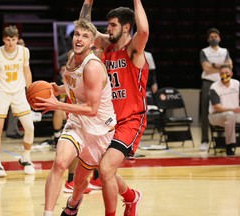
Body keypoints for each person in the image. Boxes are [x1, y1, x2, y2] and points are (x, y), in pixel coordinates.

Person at [34, 19, 116, 216]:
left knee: (80, 182)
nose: (79, 39)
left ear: (92, 43)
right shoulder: (72, 57)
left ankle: (73, 203)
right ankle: (47, 214)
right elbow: (76, 86)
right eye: (77, 34)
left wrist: (57, 104)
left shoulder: (93, 67)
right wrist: (59, 89)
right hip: (77, 122)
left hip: (99, 129)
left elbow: (92, 108)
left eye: (85, 36)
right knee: (60, 163)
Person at [80, 0, 149, 215]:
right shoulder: (107, 46)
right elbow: (84, 27)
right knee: (104, 171)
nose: (108, 28)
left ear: (126, 27)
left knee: (106, 169)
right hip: (108, 120)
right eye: (108, 24)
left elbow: (144, 30)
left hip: (131, 119)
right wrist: (87, 3)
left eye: (113, 25)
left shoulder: (133, 51)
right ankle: (131, 197)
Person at [0, 25, 35, 177]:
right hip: (1, 93)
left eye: (13, 39)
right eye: (8, 40)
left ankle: (26, 158)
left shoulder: (24, 52)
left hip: (19, 92)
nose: (11, 43)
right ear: (3, 39)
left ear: (17, 39)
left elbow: (27, 71)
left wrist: (30, 90)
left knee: (30, 127)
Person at [199, 28, 233, 151]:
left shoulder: (224, 51)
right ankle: (204, 140)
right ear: (208, 39)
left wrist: (213, 65)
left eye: (216, 36)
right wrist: (221, 67)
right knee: (205, 111)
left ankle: (220, 140)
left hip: (222, 82)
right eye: (211, 37)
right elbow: (206, 68)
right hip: (208, 82)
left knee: (222, 110)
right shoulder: (204, 51)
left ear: (220, 38)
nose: (214, 38)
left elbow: (229, 66)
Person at [208, 65, 240, 156]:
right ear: (219, 75)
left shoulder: (237, 84)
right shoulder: (214, 87)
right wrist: (233, 109)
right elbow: (217, 107)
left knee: (232, 115)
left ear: (231, 73)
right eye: (222, 73)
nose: (224, 75)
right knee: (230, 115)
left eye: (227, 73)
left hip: (235, 114)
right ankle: (230, 145)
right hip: (216, 116)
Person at [6, 38, 26, 139]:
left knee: (17, 110)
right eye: (19, 43)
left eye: (22, 43)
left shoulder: (24, 56)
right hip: (12, 86)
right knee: (13, 110)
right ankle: (11, 131)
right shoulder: (11, 56)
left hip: (21, 85)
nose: (20, 45)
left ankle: (14, 129)